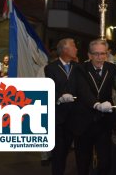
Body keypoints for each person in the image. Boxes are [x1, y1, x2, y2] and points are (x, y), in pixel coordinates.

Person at [72, 39, 116, 175]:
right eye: (96, 54)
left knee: (105, 161)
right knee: (83, 161)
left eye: (103, 54)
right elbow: (83, 90)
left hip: (103, 123)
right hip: (84, 122)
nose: (100, 57)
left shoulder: (111, 68)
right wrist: (96, 105)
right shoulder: (80, 69)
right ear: (89, 55)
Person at [44, 38, 79, 175]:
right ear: (65, 49)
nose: (76, 49)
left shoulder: (77, 67)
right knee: (59, 152)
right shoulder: (51, 68)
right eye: (73, 46)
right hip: (58, 117)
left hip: (75, 117)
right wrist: (59, 97)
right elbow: (49, 88)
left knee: (73, 151)